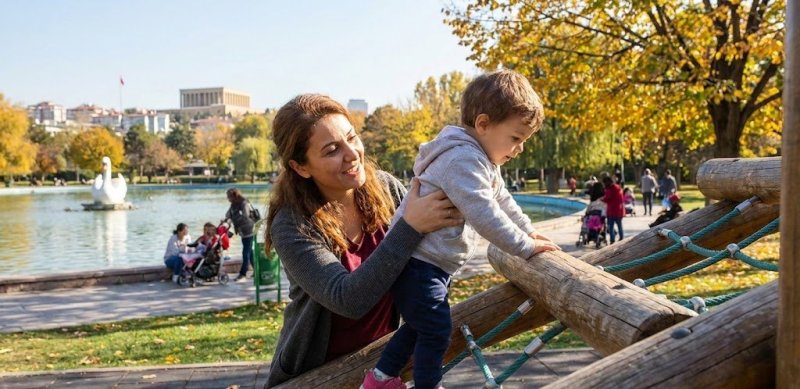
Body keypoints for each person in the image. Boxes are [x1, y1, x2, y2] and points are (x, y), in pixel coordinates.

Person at [363, 70, 560, 389]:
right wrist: (524, 247)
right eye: (515, 138)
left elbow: (502, 200)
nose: (520, 148)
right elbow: (485, 214)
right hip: (417, 265)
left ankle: (379, 380)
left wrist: (529, 231)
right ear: (483, 124)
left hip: (430, 265)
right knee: (436, 329)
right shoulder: (462, 160)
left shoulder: (483, 160)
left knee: (418, 327)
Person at [264, 94, 462, 388]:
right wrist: (410, 226)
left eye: (352, 137)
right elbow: (348, 299)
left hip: (385, 361)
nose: (352, 154)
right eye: (332, 150)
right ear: (301, 167)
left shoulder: (386, 188)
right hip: (316, 374)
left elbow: (431, 254)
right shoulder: (291, 224)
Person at [224, 188, 258, 282]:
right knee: (249, 251)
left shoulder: (244, 203)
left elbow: (246, 216)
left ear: (234, 196)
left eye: (229, 196)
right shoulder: (233, 204)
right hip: (242, 230)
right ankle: (257, 270)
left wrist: (235, 220)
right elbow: (228, 214)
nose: (228, 198)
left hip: (249, 229)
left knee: (245, 252)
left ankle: (243, 274)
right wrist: (226, 221)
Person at [601, 176, 624, 243]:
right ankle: (621, 238)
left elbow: (607, 198)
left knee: (611, 227)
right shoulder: (618, 187)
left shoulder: (610, 189)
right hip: (619, 210)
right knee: (619, 226)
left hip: (611, 211)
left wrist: (602, 199)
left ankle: (612, 240)